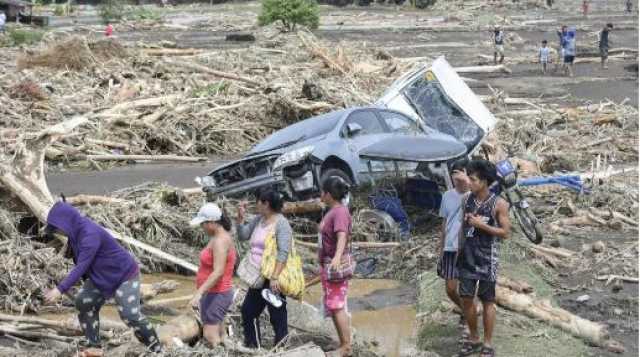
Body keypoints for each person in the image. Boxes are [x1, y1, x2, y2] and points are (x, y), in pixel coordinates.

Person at [43, 202, 161, 356]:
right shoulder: (74, 234)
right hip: (101, 277)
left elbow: (81, 267)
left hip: (124, 275)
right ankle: (94, 345)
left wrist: (60, 289)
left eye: (57, 228)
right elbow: (78, 261)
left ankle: (156, 349)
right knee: (84, 301)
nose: (58, 232)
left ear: (66, 222)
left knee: (130, 315)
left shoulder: (89, 234)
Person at [456, 160, 511, 357]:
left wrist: (482, 226)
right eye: (469, 178)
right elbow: (463, 227)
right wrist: (457, 249)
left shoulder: (499, 204)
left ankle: (487, 344)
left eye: (473, 179)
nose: (468, 182)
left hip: (488, 259)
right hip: (467, 257)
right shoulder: (466, 200)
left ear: (485, 182)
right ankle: (473, 337)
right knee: (466, 299)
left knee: (488, 301)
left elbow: (505, 232)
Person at [237, 187, 292, 349]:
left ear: (266, 203)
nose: (256, 205)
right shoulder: (259, 219)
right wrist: (240, 220)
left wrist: (275, 277)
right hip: (258, 276)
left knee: (277, 315)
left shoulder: (281, 224)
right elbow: (243, 236)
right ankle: (254, 347)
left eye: (258, 201)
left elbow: (284, 251)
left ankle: (281, 349)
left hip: (273, 277)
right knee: (248, 311)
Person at [189, 203, 237, 347]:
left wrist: (199, 293)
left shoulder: (220, 241)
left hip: (217, 293)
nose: (201, 227)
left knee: (210, 336)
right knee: (221, 335)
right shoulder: (218, 236)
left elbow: (218, 272)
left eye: (203, 224)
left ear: (211, 222)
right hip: (215, 293)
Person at [319, 176, 353, 357]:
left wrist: (337, 257)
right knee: (333, 305)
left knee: (337, 305)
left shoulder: (339, 212)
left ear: (329, 194)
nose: (321, 195)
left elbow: (342, 235)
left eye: (322, 192)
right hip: (329, 264)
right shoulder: (332, 211)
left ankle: (346, 347)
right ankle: (342, 343)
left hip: (335, 265)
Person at [437, 160, 470, 329]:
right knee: (450, 289)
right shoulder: (447, 196)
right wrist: (441, 250)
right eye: (454, 174)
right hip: (450, 247)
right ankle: (466, 310)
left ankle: (468, 319)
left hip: (467, 249)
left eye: (460, 174)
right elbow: (444, 223)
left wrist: (468, 181)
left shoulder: (474, 195)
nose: (457, 178)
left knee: (467, 288)